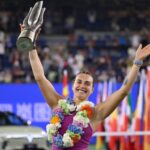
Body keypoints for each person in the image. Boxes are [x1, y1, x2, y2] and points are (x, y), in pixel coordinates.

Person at [19, 13, 150, 150]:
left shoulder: (96, 113)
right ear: (73, 85)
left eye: (87, 84)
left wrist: (137, 63)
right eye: (79, 82)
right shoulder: (57, 104)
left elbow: (124, 91)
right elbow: (40, 77)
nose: (82, 86)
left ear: (92, 89)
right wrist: (31, 46)